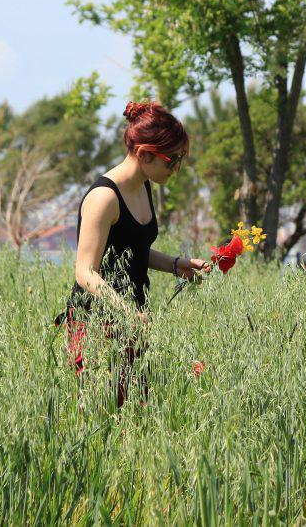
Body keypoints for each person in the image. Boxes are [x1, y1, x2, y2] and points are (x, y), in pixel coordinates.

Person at [56, 100, 211, 407]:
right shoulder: (104, 198)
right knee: (102, 416)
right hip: (95, 323)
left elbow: (134, 250)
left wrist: (177, 264)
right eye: (172, 160)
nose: (176, 168)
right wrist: (126, 311)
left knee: (134, 418)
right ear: (143, 154)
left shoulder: (143, 185)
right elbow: (85, 272)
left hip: (132, 322)